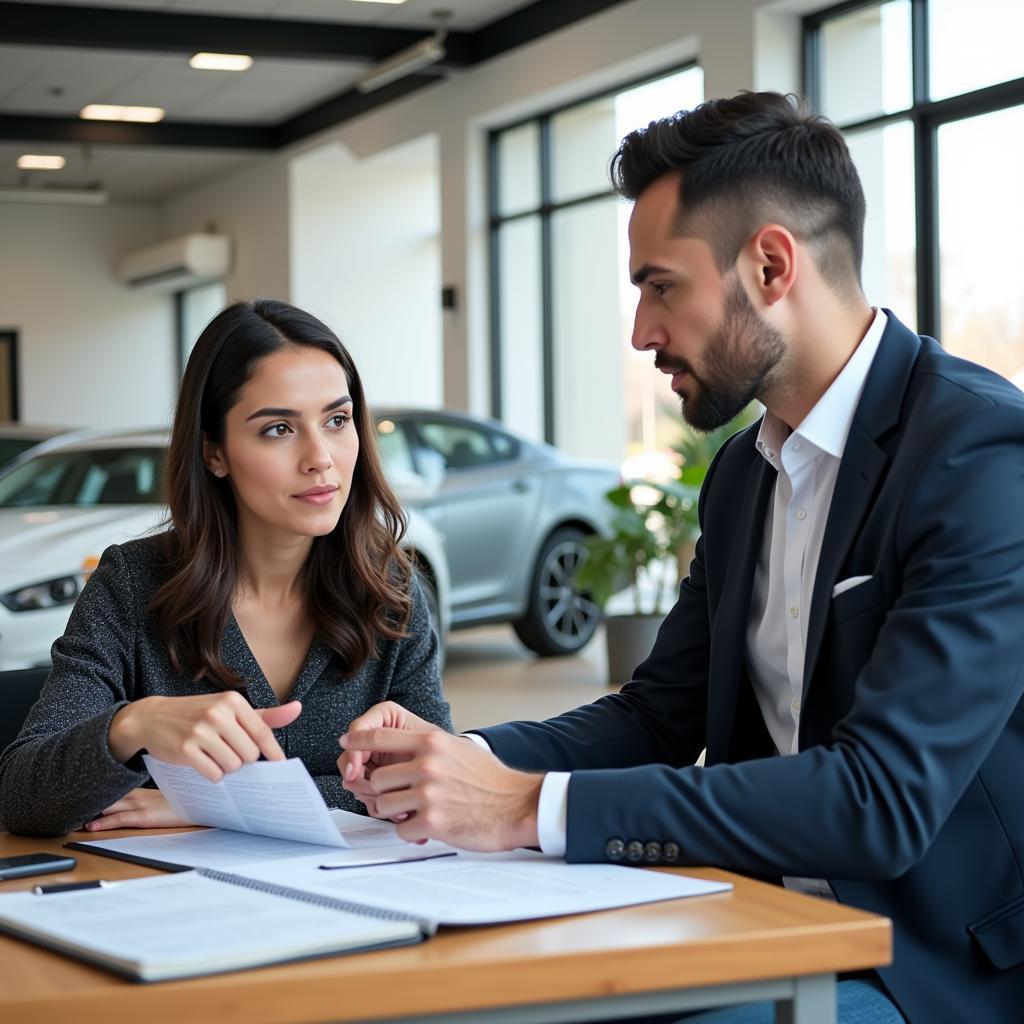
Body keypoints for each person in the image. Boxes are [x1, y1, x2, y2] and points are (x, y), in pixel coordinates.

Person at [336, 93, 1024, 1024]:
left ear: (771, 265)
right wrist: (455, 762)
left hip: (927, 964)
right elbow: (659, 715)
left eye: (661, 286)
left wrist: (527, 806)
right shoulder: (743, 472)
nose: (641, 332)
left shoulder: (978, 456)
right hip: (751, 915)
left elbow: (880, 800)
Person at [0, 299, 451, 836]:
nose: (320, 457)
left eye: (336, 420)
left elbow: (435, 783)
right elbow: (21, 799)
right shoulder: (131, 585)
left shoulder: (389, 589)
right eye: (278, 429)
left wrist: (209, 806)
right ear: (214, 453)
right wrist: (133, 724)